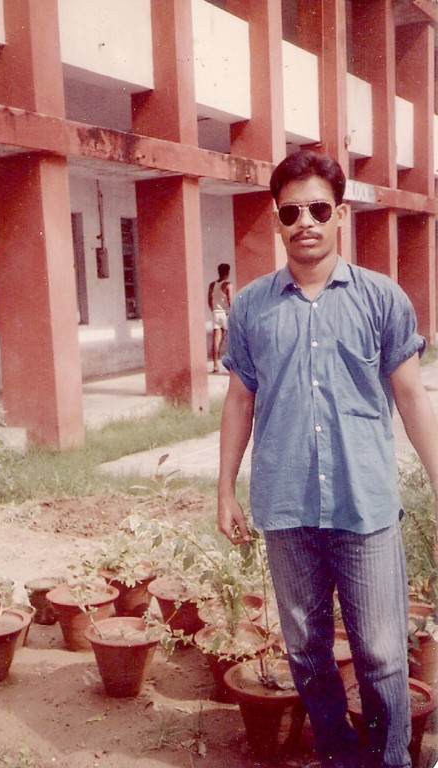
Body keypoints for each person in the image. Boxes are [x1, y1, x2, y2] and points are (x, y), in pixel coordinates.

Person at [217, 150, 438, 768]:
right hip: (287, 508)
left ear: (340, 214)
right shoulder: (252, 307)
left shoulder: (381, 299)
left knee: (383, 655)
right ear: (276, 220)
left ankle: (390, 760)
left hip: (364, 507)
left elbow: (411, 396)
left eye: (318, 209)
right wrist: (225, 490)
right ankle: (338, 755)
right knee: (307, 651)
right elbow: (239, 400)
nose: (305, 223)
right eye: (291, 212)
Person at [208, 262, 234, 373]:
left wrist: (214, 310)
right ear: (227, 272)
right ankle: (231, 365)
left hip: (216, 313)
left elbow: (209, 301)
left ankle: (215, 365)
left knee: (216, 340)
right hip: (225, 314)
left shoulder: (212, 285)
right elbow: (230, 301)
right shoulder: (228, 285)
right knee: (230, 340)